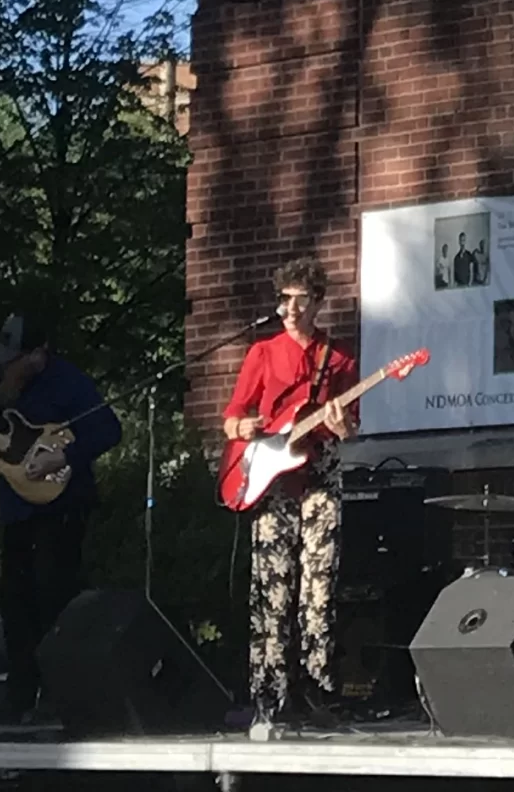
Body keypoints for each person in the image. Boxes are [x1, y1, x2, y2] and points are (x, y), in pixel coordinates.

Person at [221, 259, 358, 731]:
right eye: (285, 299)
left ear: (318, 302)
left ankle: (318, 693)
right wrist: (243, 426)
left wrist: (342, 424)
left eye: (301, 299)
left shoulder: (338, 356)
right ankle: (270, 697)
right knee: (272, 587)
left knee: (319, 587)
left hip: (320, 470)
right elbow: (233, 416)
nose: (290, 308)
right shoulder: (263, 352)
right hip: (273, 475)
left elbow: (350, 425)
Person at [0, 310, 120, 724]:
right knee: (15, 601)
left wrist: (65, 456)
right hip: (17, 506)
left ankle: (61, 694)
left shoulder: (69, 383)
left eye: (14, 358)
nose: (6, 366)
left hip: (62, 506)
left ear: (39, 354)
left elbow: (109, 429)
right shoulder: (0, 388)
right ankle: (19, 692)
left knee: (55, 598)